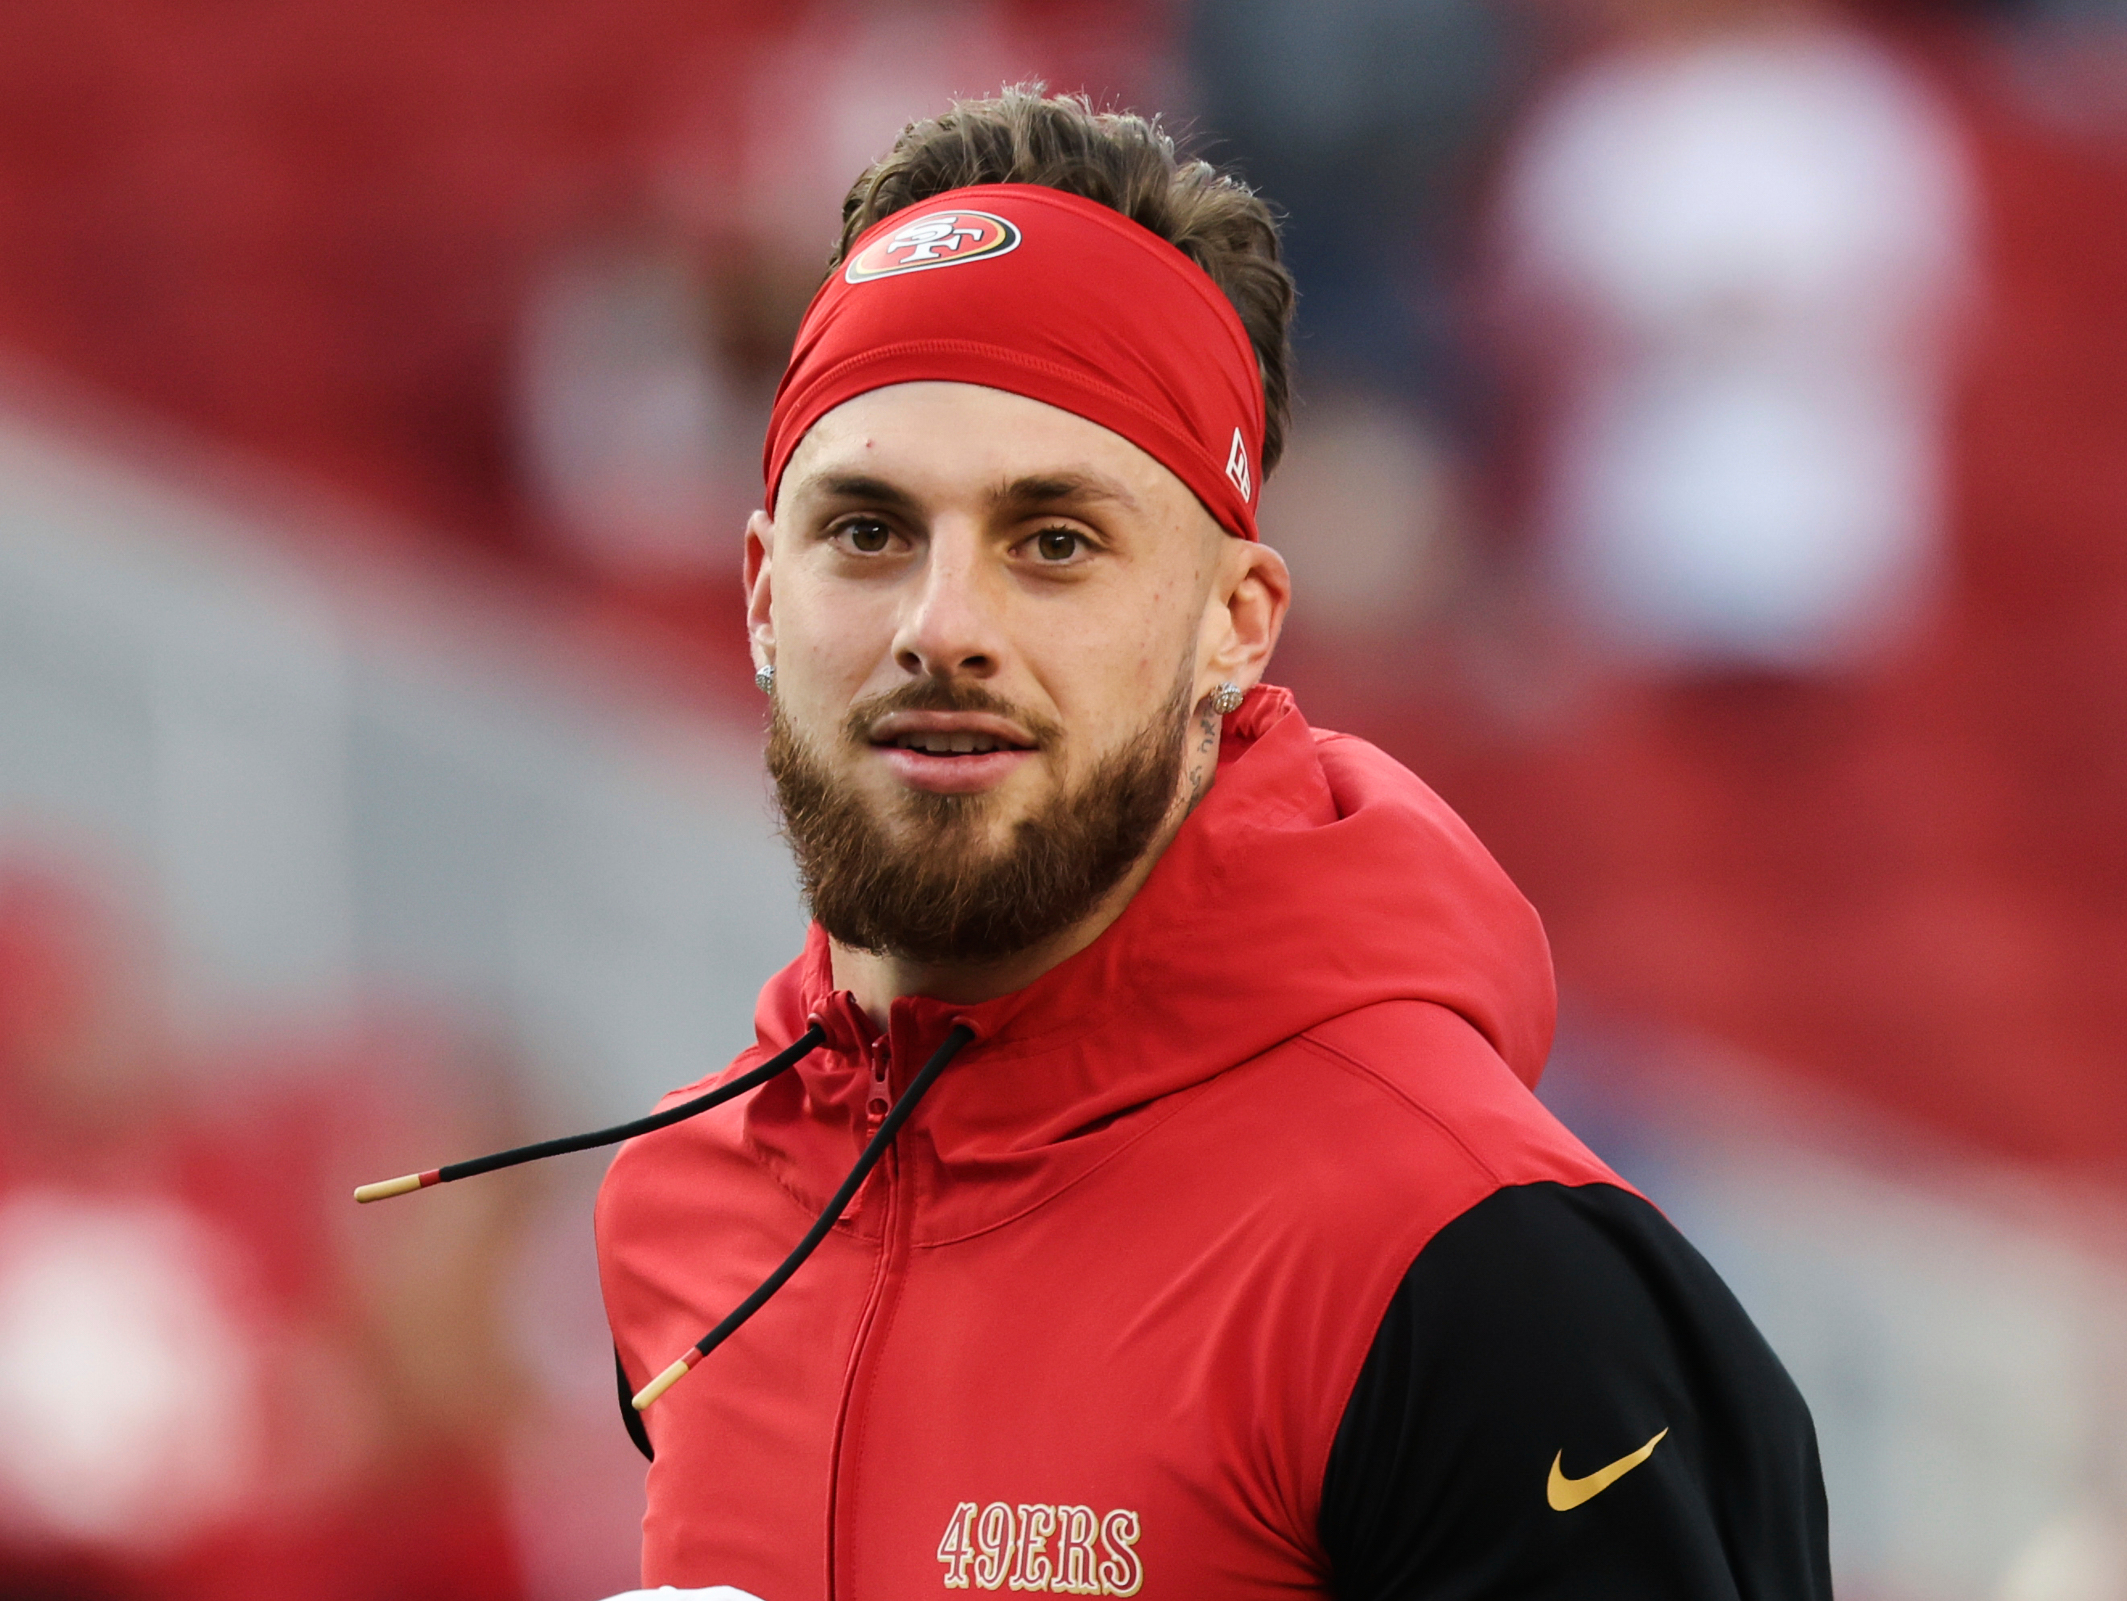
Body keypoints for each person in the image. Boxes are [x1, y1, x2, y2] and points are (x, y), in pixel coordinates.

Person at [375, 88, 1829, 1600]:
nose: (942, 629)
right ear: (759, 594)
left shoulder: (1476, 1269)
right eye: (867, 530)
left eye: (1054, 541)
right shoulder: (684, 1210)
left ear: (1235, 622)